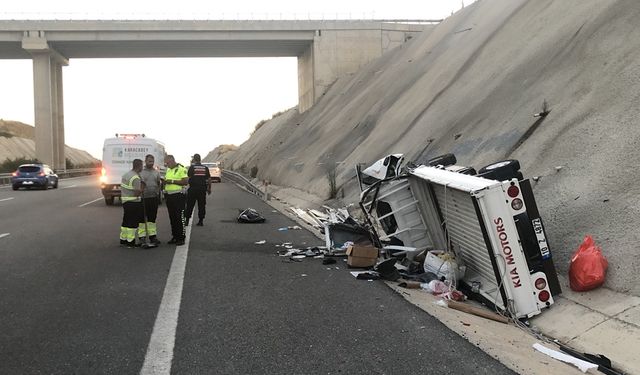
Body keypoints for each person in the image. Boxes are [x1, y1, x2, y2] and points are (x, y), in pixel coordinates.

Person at [163, 155, 189, 245]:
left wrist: (172, 181)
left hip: (178, 196)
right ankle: (175, 236)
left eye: (167, 163)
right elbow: (167, 180)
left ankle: (181, 237)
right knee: (172, 217)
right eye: (165, 163)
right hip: (169, 196)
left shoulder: (181, 169)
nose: (167, 165)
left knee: (180, 217)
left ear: (172, 160)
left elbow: (185, 181)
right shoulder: (168, 169)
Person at [120, 159, 145, 248]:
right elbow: (137, 193)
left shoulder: (126, 174)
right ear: (139, 166)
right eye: (142, 166)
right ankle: (130, 242)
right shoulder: (135, 178)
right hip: (133, 201)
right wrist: (142, 188)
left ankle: (123, 240)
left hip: (125, 201)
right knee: (133, 223)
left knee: (126, 221)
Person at [138, 154, 162, 245]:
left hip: (153, 198)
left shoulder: (156, 172)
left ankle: (153, 237)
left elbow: (158, 184)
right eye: (149, 161)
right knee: (142, 219)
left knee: (152, 218)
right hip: (143, 198)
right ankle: (142, 237)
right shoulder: (141, 172)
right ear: (145, 161)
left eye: (152, 161)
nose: (151, 163)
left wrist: (157, 193)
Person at [185, 153, 211, 226]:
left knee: (190, 204)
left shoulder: (192, 167)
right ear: (200, 159)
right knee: (201, 205)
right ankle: (201, 221)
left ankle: (187, 220)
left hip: (193, 189)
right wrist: (209, 188)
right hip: (202, 189)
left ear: (194, 159)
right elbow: (209, 179)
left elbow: (189, 177)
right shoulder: (205, 168)